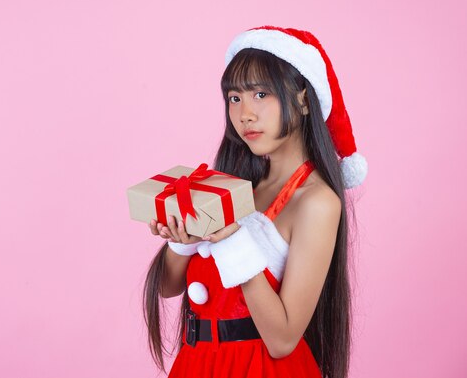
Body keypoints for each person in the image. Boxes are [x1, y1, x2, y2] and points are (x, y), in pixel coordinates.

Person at [142, 26, 368, 378]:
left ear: (304, 99)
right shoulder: (235, 185)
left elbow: (282, 339)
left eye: (261, 94)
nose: (245, 113)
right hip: (196, 364)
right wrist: (182, 239)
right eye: (235, 98)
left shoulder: (317, 201)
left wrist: (231, 241)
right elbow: (167, 287)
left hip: (260, 369)